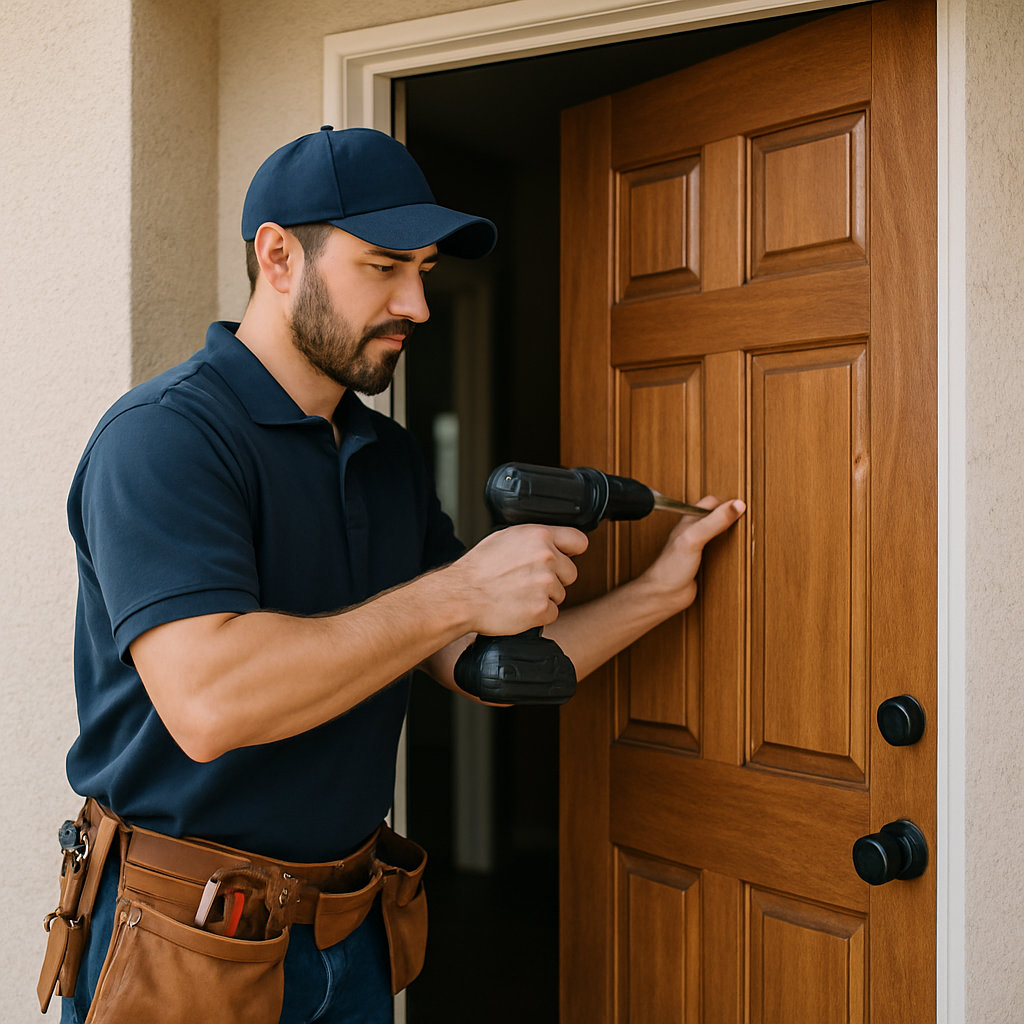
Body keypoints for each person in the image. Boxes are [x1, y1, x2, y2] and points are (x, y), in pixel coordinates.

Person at [40, 126, 745, 1024]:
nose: (416, 303)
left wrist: (659, 592)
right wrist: (460, 587)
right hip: (184, 944)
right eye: (383, 267)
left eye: (424, 270)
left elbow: (480, 664)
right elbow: (211, 701)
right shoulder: (166, 439)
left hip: (350, 937)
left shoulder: (386, 453)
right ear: (278, 256)